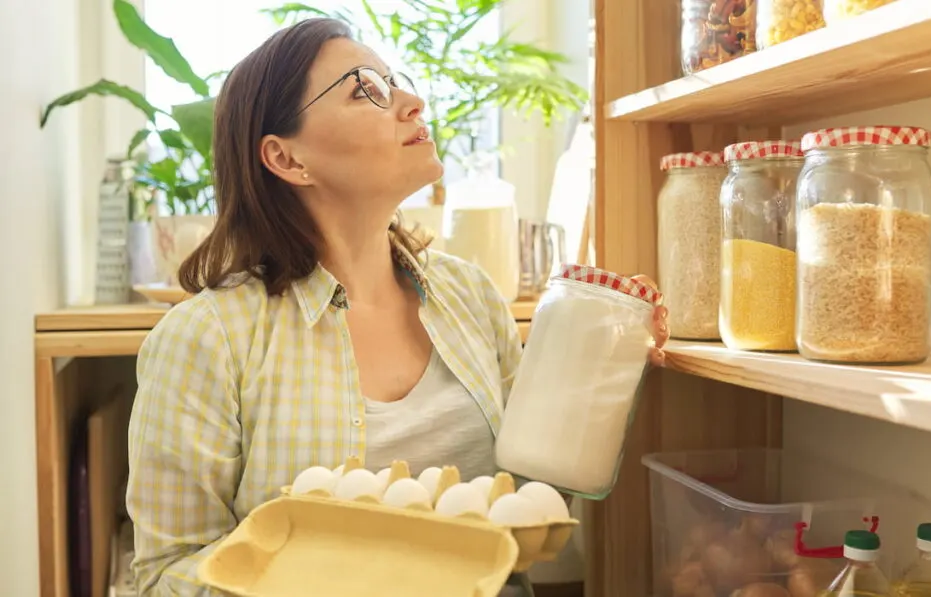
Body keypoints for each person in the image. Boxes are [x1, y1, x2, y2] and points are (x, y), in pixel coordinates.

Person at [125, 17, 670, 596]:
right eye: (366, 89)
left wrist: (601, 357)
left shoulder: (472, 296)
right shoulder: (207, 338)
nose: (411, 103)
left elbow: (532, 501)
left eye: (397, 82)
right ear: (287, 159)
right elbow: (165, 574)